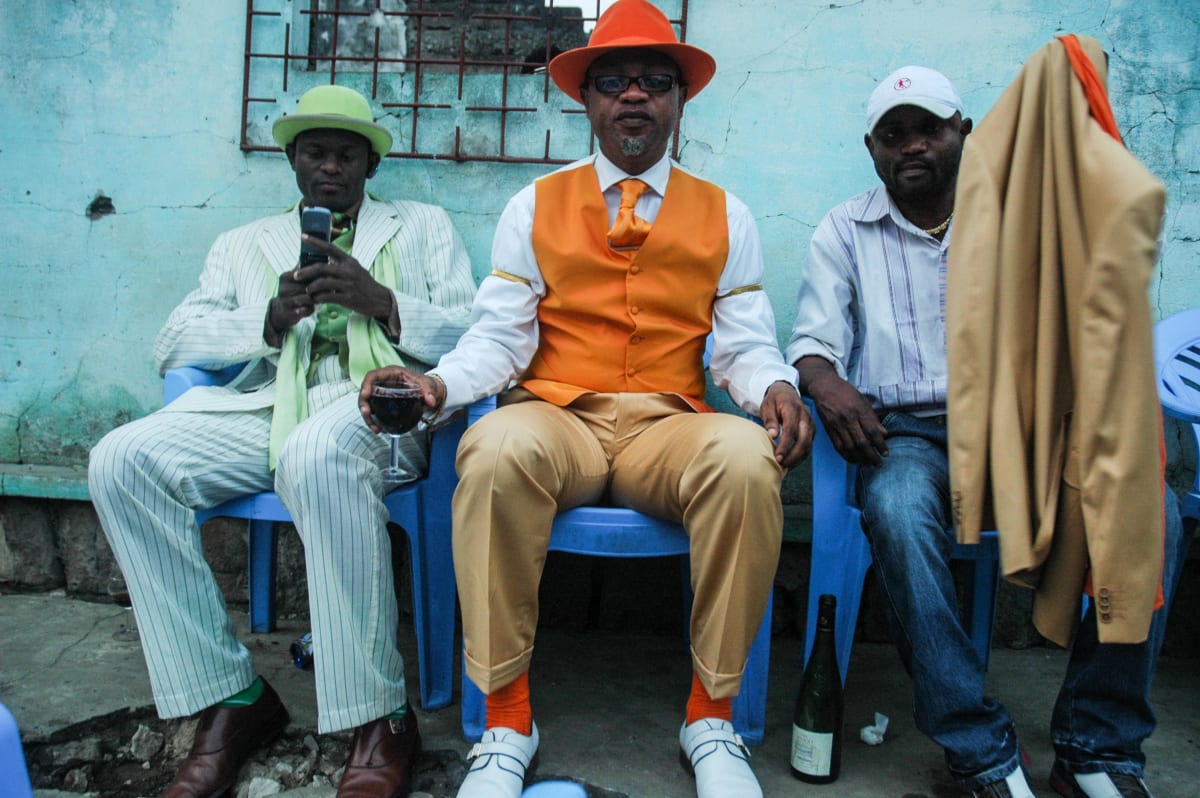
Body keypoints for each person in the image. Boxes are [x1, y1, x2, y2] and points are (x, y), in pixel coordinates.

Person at [357, 2, 811, 796]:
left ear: (677, 101)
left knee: (746, 461)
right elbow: (498, 339)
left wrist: (773, 385)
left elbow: (741, 342)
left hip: (667, 427)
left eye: (653, 82)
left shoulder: (724, 214)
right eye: (613, 82)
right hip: (555, 416)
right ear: (588, 101)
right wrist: (439, 385)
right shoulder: (534, 207)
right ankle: (507, 720)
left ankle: (711, 716)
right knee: (491, 451)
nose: (633, 96)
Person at [786, 64, 1187, 798]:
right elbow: (813, 339)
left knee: (1150, 514)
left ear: (962, 133)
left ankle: (1096, 746)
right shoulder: (846, 228)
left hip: (1022, 435)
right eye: (893, 134)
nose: (912, 147)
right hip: (905, 434)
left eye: (928, 129)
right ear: (871, 148)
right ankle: (978, 750)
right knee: (899, 513)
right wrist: (825, 383)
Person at [88, 84, 476, 798]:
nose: (331, 168)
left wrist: (382, 302)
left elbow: (474, 337)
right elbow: (172, 341)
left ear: (370, 166)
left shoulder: (424, 227)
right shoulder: (244, 245)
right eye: (315, 153)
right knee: (121, 460)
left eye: (347, 155)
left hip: (382, 409)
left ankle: (379, 718)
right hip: (274, 403)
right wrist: (265, 322)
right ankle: (230, 698)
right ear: (292, 161)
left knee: (317, 452)